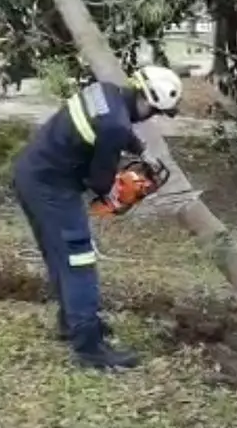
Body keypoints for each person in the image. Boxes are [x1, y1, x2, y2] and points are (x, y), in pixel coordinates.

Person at [12, 64, 183, 371]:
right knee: (79, 260)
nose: (150, 117)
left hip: (32, 174)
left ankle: (72, 322)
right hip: (52, 188)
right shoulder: (115, 125)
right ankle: (89, 348)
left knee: (59, 255)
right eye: (153, 112)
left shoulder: (106, 92)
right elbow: (100, 184)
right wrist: (125, 187)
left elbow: (111, 127)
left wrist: (139, 150)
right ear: (146, 100)